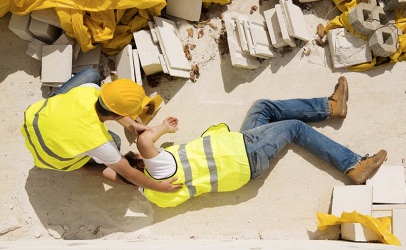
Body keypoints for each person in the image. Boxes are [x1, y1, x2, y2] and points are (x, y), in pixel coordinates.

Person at [128, 76, 387, 207]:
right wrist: (162, 127)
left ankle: (331, 107)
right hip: (245, 153)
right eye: (143, 157)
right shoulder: (160, 168)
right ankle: (353, 165)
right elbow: (144, 141)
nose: (151, 152)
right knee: (295, 128)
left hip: (240, 153)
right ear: (142, 165)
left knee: (261, 107)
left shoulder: (154, 194)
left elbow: (120, 175)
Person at [21, 68, 181, 193]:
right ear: (119, 114)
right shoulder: (100, 143)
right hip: (50, 158)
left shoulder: (89, 90)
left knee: (91, 74)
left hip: (34, 120)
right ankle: (79, 165)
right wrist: (160, 187)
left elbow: (111, 108)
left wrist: (133, 125)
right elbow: (128, 174)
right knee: (116, 143)